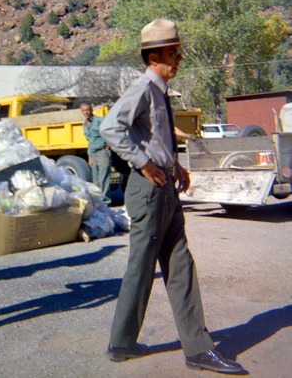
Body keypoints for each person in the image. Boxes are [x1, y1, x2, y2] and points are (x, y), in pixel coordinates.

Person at [99, 20, 246, 374]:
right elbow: (109, 128)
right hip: (148, 190)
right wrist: (144, 163)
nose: (179, 58)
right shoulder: (143, 88)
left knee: (179, 264)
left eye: (178, 51)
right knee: (142, 265)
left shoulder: (160, 91)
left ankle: (190, 347)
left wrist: (174, 165)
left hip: (164, 188)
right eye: (172, 52)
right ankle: (125, 344)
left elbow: (157, 138)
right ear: (154, 57)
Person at [80, 101, 111, 205]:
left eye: (88, 110)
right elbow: (89, 141)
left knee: (104, 178)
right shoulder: (84, 125)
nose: (86, 112)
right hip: (93, 154)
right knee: (96, 180)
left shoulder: (99, 120)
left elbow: (109, 131)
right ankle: (98, 201)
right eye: (84, 111)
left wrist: (109, 144)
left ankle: (105, 202)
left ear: (91, 110)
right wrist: (89, 156)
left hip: (103, 152)